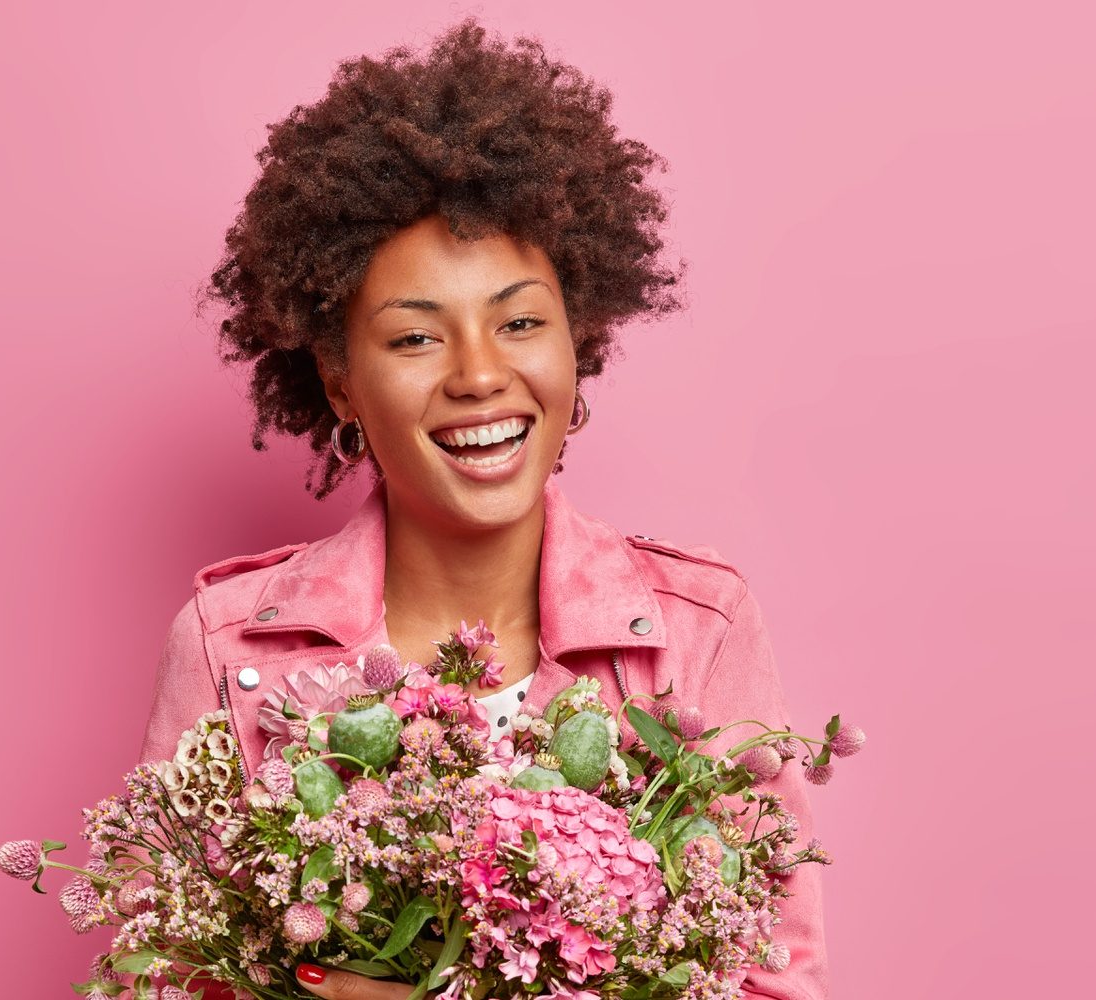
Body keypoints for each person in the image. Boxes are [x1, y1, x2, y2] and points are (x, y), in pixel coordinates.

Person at [136, 18, 830, 1000]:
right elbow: (158, 976)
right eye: (415, 338)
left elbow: (773, 979)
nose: (477, 374)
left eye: (517, 322)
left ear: (575, 340)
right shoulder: (227, 648)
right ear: (337, 380)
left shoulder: (694, 631)